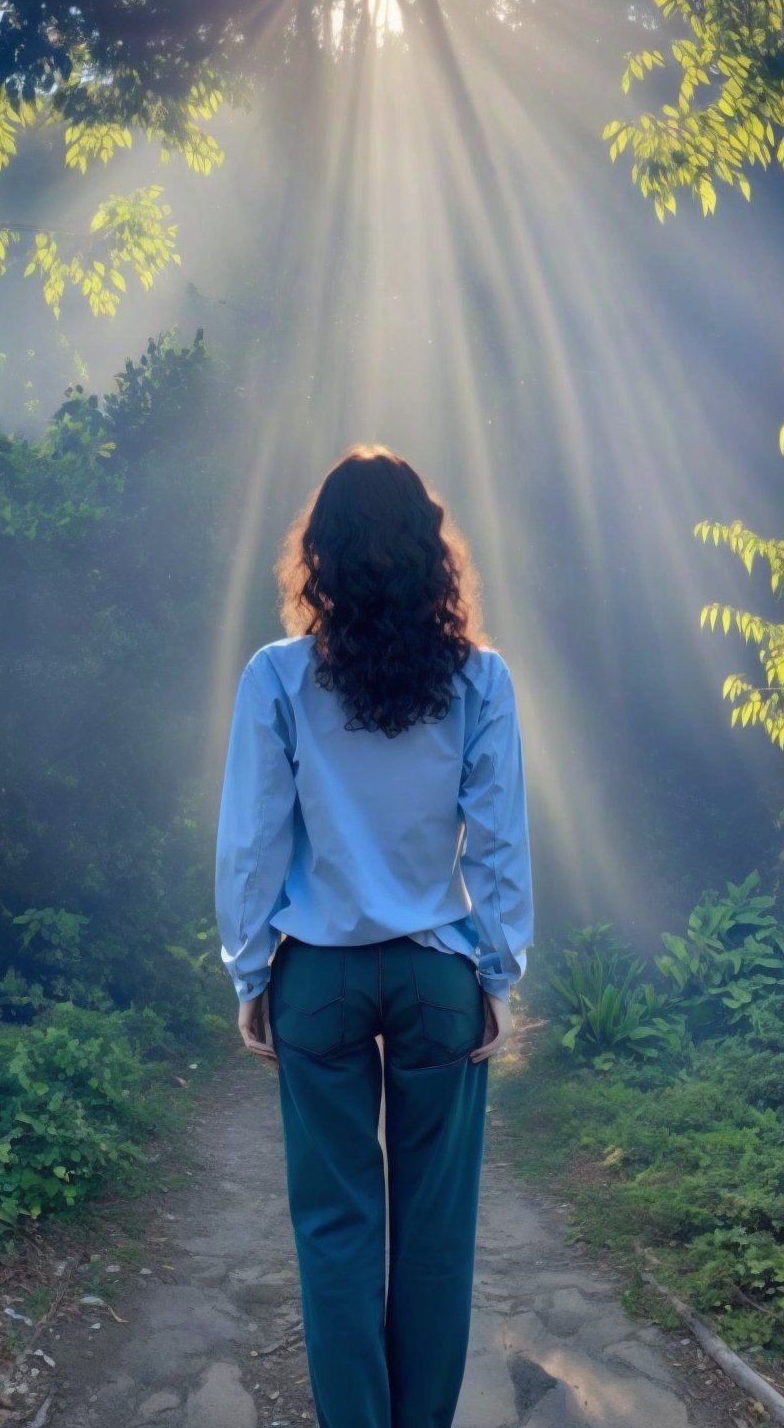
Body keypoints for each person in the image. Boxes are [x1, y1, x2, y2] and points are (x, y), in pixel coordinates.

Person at [214, 443, 534, 1428]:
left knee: (335, 1227)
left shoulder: (276, 678)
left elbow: (253, 838)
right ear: (431, 552)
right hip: (438, 976)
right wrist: (498, 970)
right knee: (436, 1234)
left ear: (320, 556)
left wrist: (250, 969)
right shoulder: (478, 679)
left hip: (319, 978)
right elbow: (498, 841)